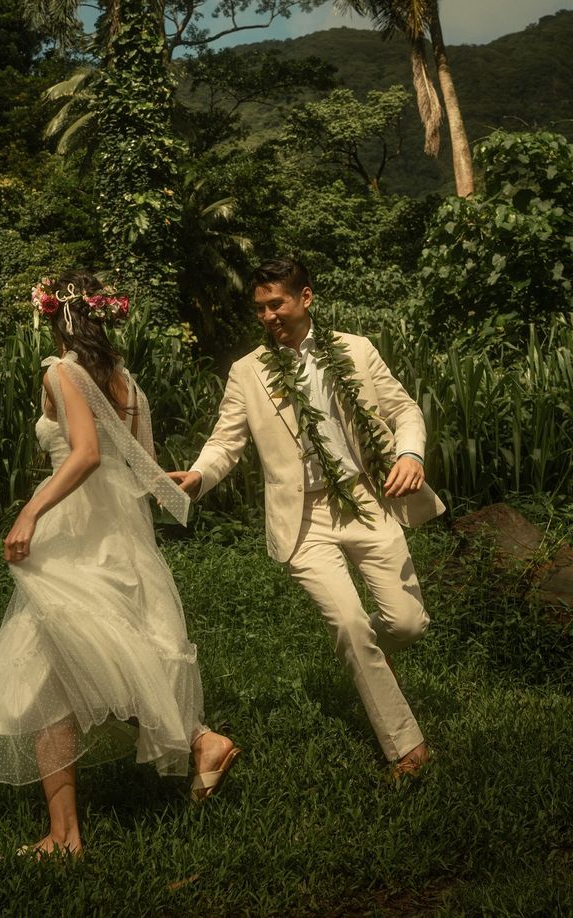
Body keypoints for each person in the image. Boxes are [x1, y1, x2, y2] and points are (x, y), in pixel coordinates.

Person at [0, 270, 239, 859]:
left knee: (46, 676)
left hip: (79, 530)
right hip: (123, 532)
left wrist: (30, 511)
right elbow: (145, 467)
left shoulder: (61, 372)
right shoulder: (127, 383)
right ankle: (195, 744)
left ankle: (68, 838)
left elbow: (84, 456)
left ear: (52, 317)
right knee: (90, 664)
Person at [169, 257, 445, 775]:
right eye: (260, 308)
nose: (268, 315)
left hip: (366, 499)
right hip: (303, 519)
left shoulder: (356, 350)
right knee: (348, 622)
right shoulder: (247, 372)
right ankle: (407, 747)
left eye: (277, 303)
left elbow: (404, 410)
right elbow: (225, 442)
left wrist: (411, 454)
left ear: (306, 298)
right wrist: (198, 477)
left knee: (407, 624)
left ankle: (361, 656)